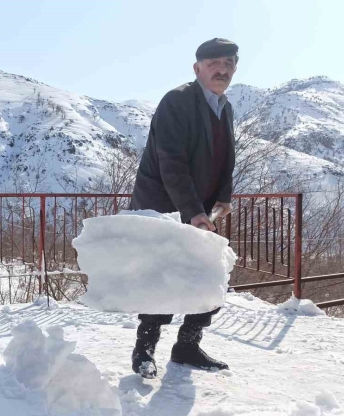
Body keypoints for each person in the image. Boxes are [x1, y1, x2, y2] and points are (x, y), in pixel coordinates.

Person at [128, 38, 238, 378]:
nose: (222, 69)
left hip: (202, 208)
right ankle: (144, 350)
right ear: (197, 68)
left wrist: (223, 196)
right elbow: (171, 163)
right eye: (213, 63)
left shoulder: (225, 106)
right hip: (164, 208)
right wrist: (192, 211)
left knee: (208, 275)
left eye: (228, 62)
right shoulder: (177, 101)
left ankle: (187, 345)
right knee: (163, 278)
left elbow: (225, 160)